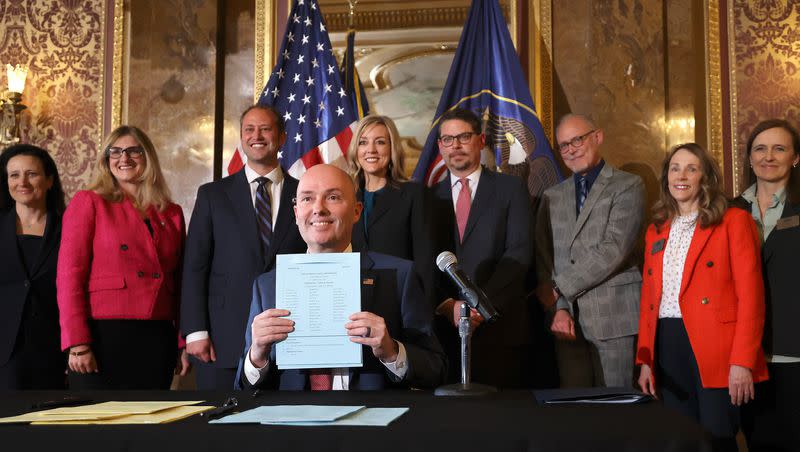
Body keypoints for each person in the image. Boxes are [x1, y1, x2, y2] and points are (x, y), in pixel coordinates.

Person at [236, 164, 446, 390]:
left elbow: (437, 370)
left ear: (356, 211)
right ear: (296, 213)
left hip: (372, 420)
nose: (319, 208)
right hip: (293, 421)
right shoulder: (267, 286)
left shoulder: (399, 276)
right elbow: (243, 388)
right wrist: (257, 356)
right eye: (307, 199)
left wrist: (392, 351)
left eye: (333, 197)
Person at [636, 143, 768, 451]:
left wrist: (742, 361)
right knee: (680, 437)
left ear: (704, 178)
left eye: (691, 168)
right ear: (666, 177)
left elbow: (752, 297)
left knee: (716, 437)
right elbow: (648, 300)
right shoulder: (656, 229)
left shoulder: (734, 222)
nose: (681, 176)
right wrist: (645, 361)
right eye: (674, 168)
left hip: (717, 346)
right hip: (667, 342)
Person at [182, 105, 306, 390]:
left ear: (282, 137)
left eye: (265, 129)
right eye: (249, 129)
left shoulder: (304, 193)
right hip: (223, 340)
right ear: (241, 137)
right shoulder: (212, 195)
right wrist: (195, 331)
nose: (257, 136)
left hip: (292, 337)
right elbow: (195, 267)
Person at [57, 126, 190, 389]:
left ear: (147, 157)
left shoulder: (170, 212)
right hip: (102, 336)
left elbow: (180, 284)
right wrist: (77, 343)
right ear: (106, 160)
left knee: (148, 425)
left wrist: (181, 342)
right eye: (114, 152)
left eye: (133, 151)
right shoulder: (89, 202)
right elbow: (69, 278)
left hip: (156, 336)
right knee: (98, 427)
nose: (123, 158)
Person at [535, 113, 644, 388]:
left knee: (616, 412)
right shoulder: (552, 196)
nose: (571, 149)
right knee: (577, 413)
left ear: (597, 137)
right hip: (566, 323)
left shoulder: (628, 186)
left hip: (614, 318)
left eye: (577, 140)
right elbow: (545, 259)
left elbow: (614, 249)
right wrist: (558, 308)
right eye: (563, 145)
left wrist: (560, 286)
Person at [430, 108, 534, 389]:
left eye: (463, 137)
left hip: (500, 326)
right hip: (446, 331)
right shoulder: (427, 198)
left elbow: (519, 253)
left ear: (480, 140)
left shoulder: (511, 189)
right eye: (448, 139)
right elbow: (425, 262)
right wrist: (449, 305)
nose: (456, 146)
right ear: (440, 146)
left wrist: (478, 306)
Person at [733, 119, 800, 451]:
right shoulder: (728, 211)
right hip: (745, 358)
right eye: (760, 148)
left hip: (794, 353)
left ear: (795, 158)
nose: (768, 156)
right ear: (749, 158)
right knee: (759, 442)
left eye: (779, 148)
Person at [0, 145, 67, 389]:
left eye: (32, 174)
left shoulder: (69, 228)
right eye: (14, 175)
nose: (22, 182)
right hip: (5, 352)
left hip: (54, 349)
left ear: (49, 180)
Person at [346, 115, 433, 284]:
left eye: (380, 142)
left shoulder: (413, 194)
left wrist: (424, 308)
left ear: (392, 148)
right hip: (352, 296)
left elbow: (425, 261)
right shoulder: (345, 197)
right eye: (363, 142)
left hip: (398, 294)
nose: (371, 149)